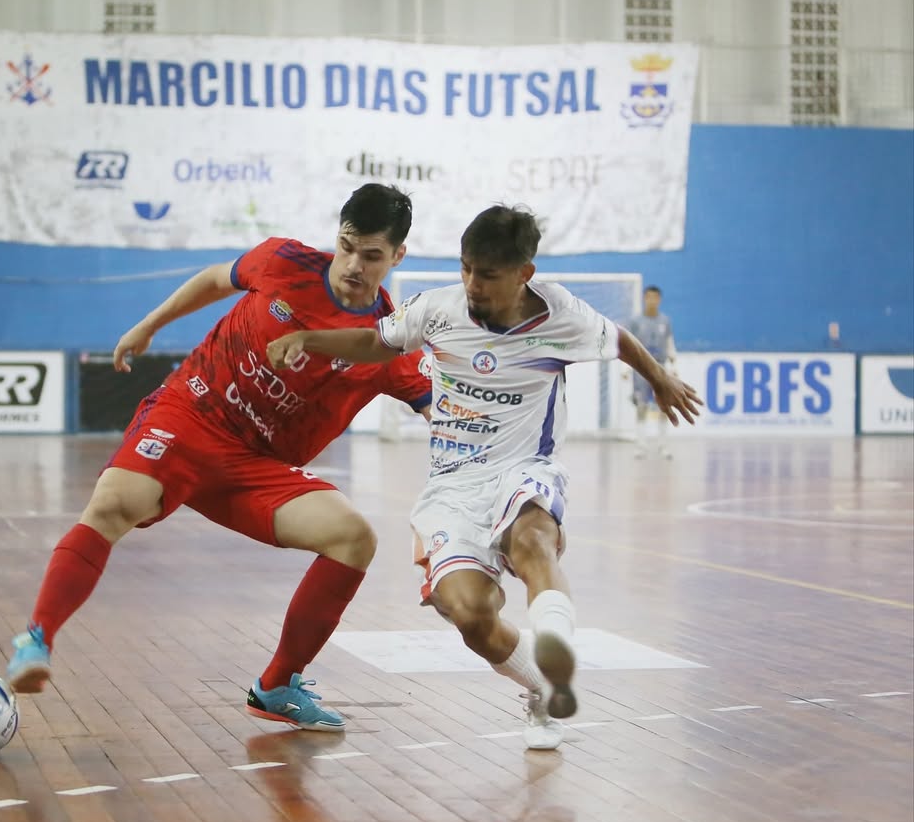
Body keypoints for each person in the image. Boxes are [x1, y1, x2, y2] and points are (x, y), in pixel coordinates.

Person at [266, 204, 701, 750]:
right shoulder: (438, 309)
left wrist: (660, 379)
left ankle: (556, 642)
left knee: (533, 539)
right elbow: (376, 343)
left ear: (524, 274)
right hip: (452, 486)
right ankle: (544, 686)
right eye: (466, 268)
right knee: (471, 614)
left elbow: (619, 340)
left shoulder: (561, 315)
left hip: (524, 468)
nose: (472, 283)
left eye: (488, 274)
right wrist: (308, 339)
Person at [6, 183, 433, 731]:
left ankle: (277, 685)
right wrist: (150, 325)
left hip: (256, 469)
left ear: (397, 256)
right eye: (347, 245)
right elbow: (214, 279)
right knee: (116, 502)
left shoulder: (389, 343)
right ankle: (36, 639)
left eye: (371, 255)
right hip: (193, 414)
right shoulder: (284, 261)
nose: (353, 264)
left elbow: (442, 420)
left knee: (354, 538)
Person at [625, 285, 678, 459]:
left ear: (659, 300)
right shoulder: (635, 321)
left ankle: (663, 446)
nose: (652, 301)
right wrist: (626, 368)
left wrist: (673, 365)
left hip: (661, 368)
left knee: (665, 406)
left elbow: (670, 343)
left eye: (655, 298)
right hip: (641, 369)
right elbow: (628, 345)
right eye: (649, 297)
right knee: (641, 406)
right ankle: (641, 446)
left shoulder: (665, 321)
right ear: (644, 299)